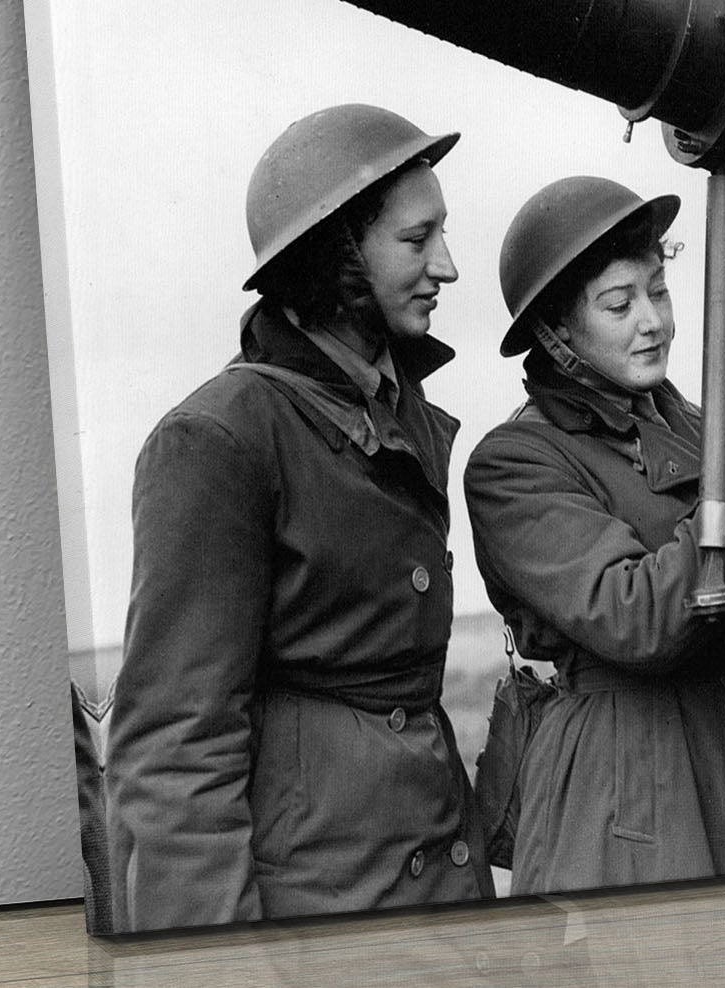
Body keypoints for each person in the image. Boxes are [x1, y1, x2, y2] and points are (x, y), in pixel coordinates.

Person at [106, 104, 493, 930]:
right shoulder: (219, 440)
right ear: (336, 253)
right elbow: (175, 753)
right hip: (323, 912)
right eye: (417, 240)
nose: (448, 266)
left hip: (432, 881)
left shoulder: (395, 409)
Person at [464, 176, 725, 894]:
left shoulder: (691, 425)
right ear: (556, 331)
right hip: (631, 796)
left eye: (659, 292)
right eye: (620, 304)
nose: (654, 322)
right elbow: (636, 618)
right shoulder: (515, 464)